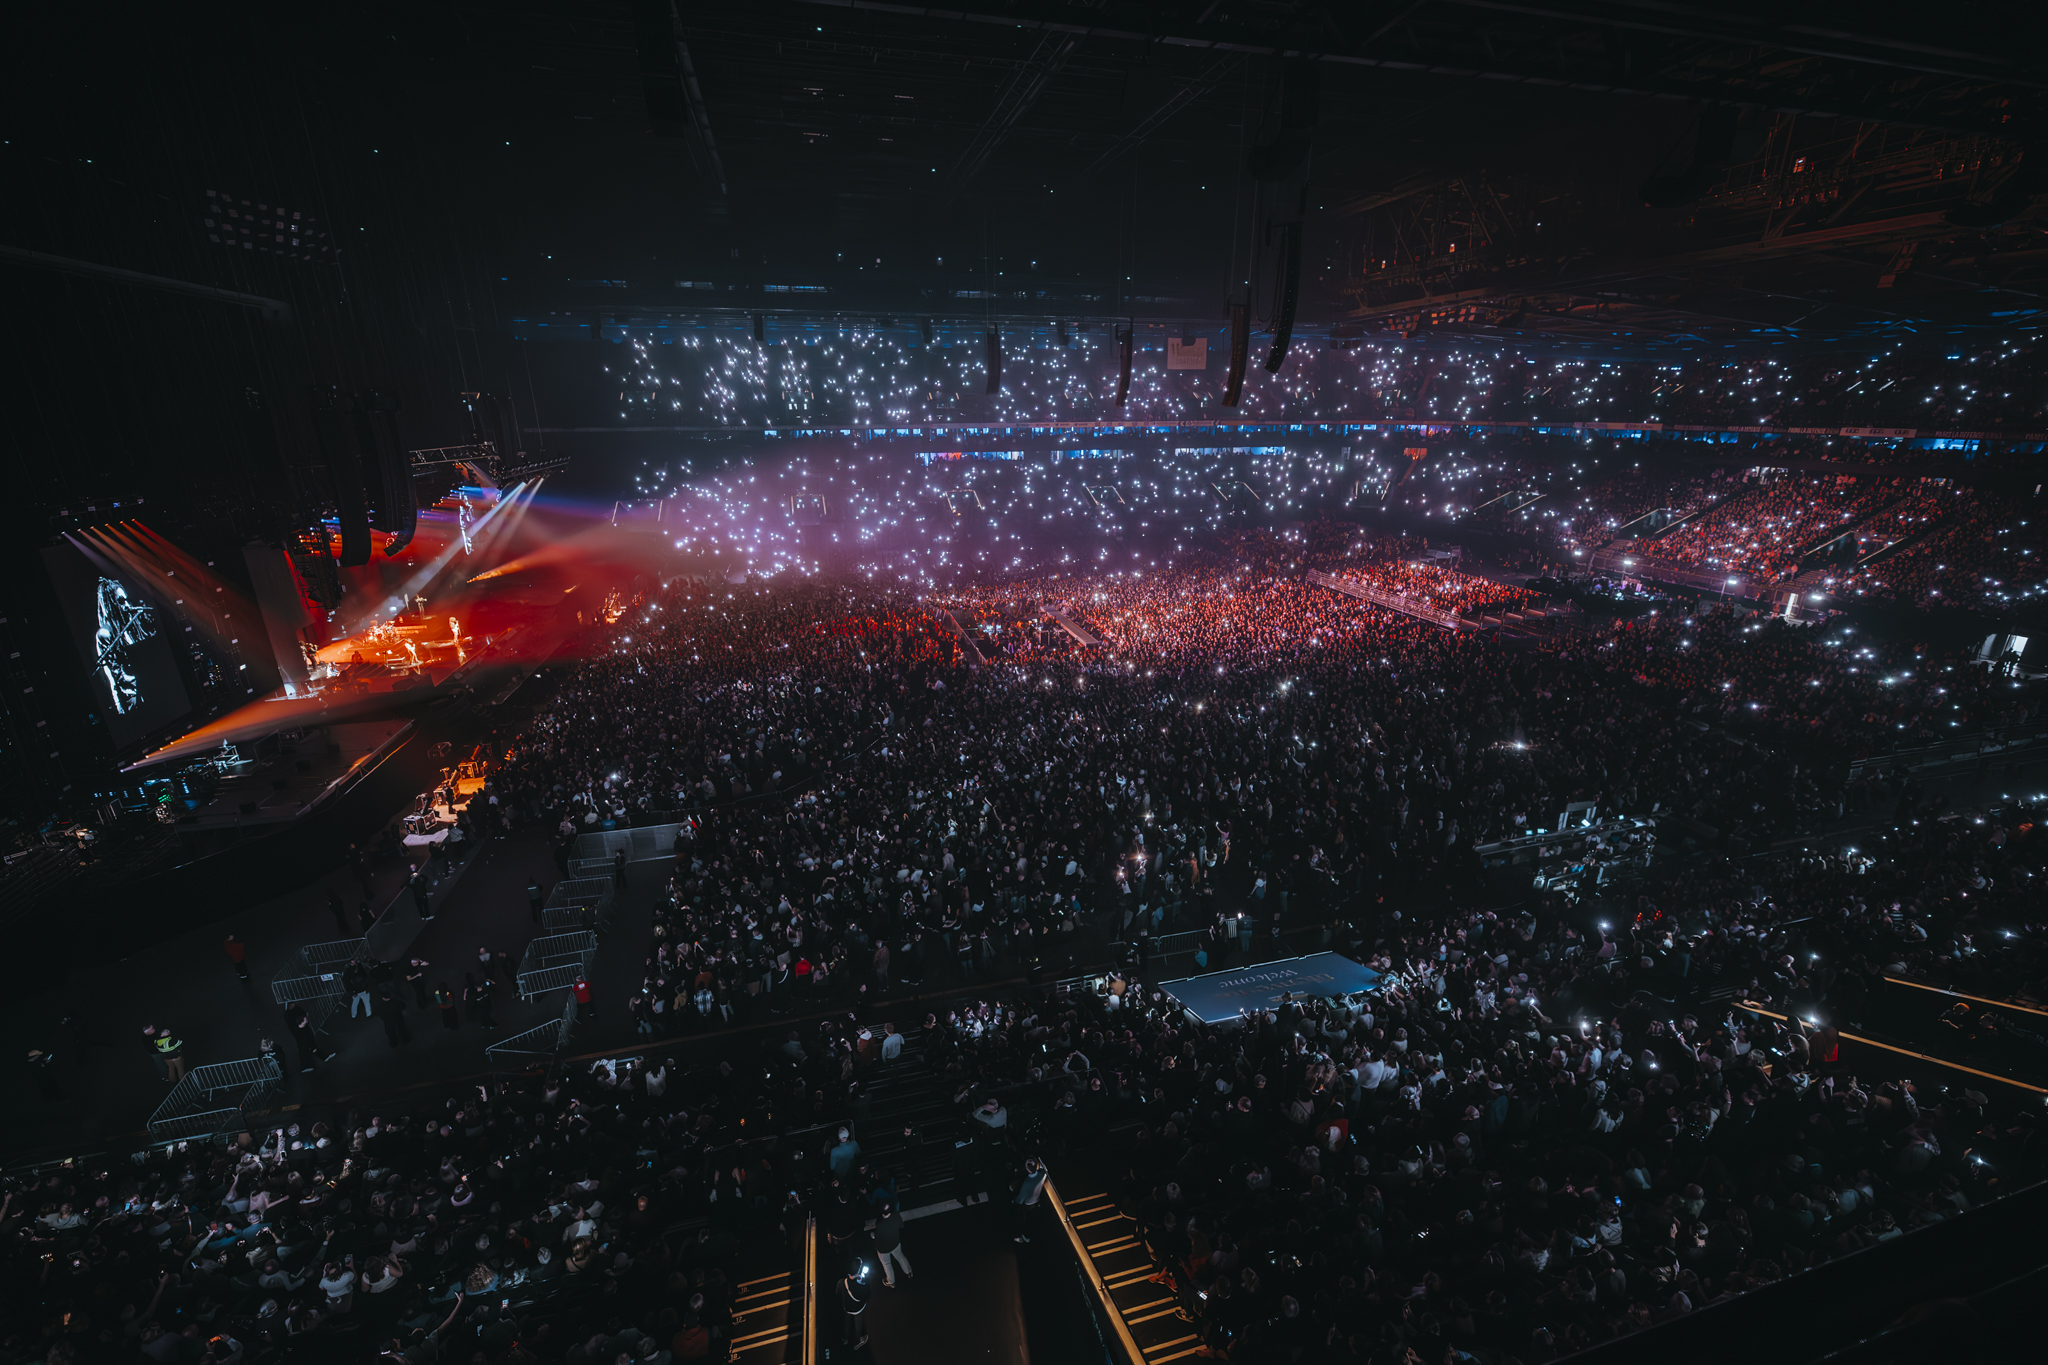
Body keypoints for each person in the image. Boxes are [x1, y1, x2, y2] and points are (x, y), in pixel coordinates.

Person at [873, 1199, 912, 1287]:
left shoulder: (879, 1225)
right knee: (900, 1256)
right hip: (895, 1243)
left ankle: (891, 1282)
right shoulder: (896, 1215)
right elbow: (901, 1226)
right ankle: (908, 1272)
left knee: (887, 1264)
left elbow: (878, 1240)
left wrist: (873, 1236)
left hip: (884, 1249)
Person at [1012, 1155, 1048, 1243]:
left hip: (1028, 1205)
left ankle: (1025, 1237)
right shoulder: (1042, 1174)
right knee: (1033, 1221)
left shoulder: (1027, 1183)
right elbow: (1045, 1168)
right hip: (1037, 1201)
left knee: (1027, 1221)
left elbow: (1019, 1200)